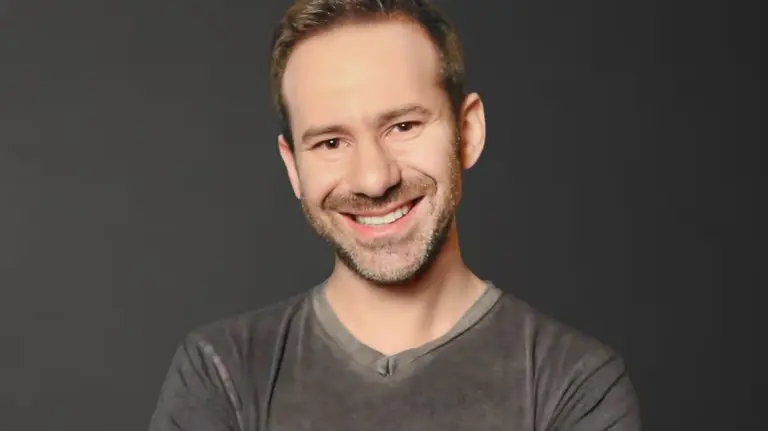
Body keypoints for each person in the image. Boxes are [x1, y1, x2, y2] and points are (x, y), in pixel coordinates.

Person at [148, 1, 642, 430]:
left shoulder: (574, 384)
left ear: (467, 132)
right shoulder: (221, 374)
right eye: (331, 142)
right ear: (293, 166)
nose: (373, 179)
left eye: (403, 126)